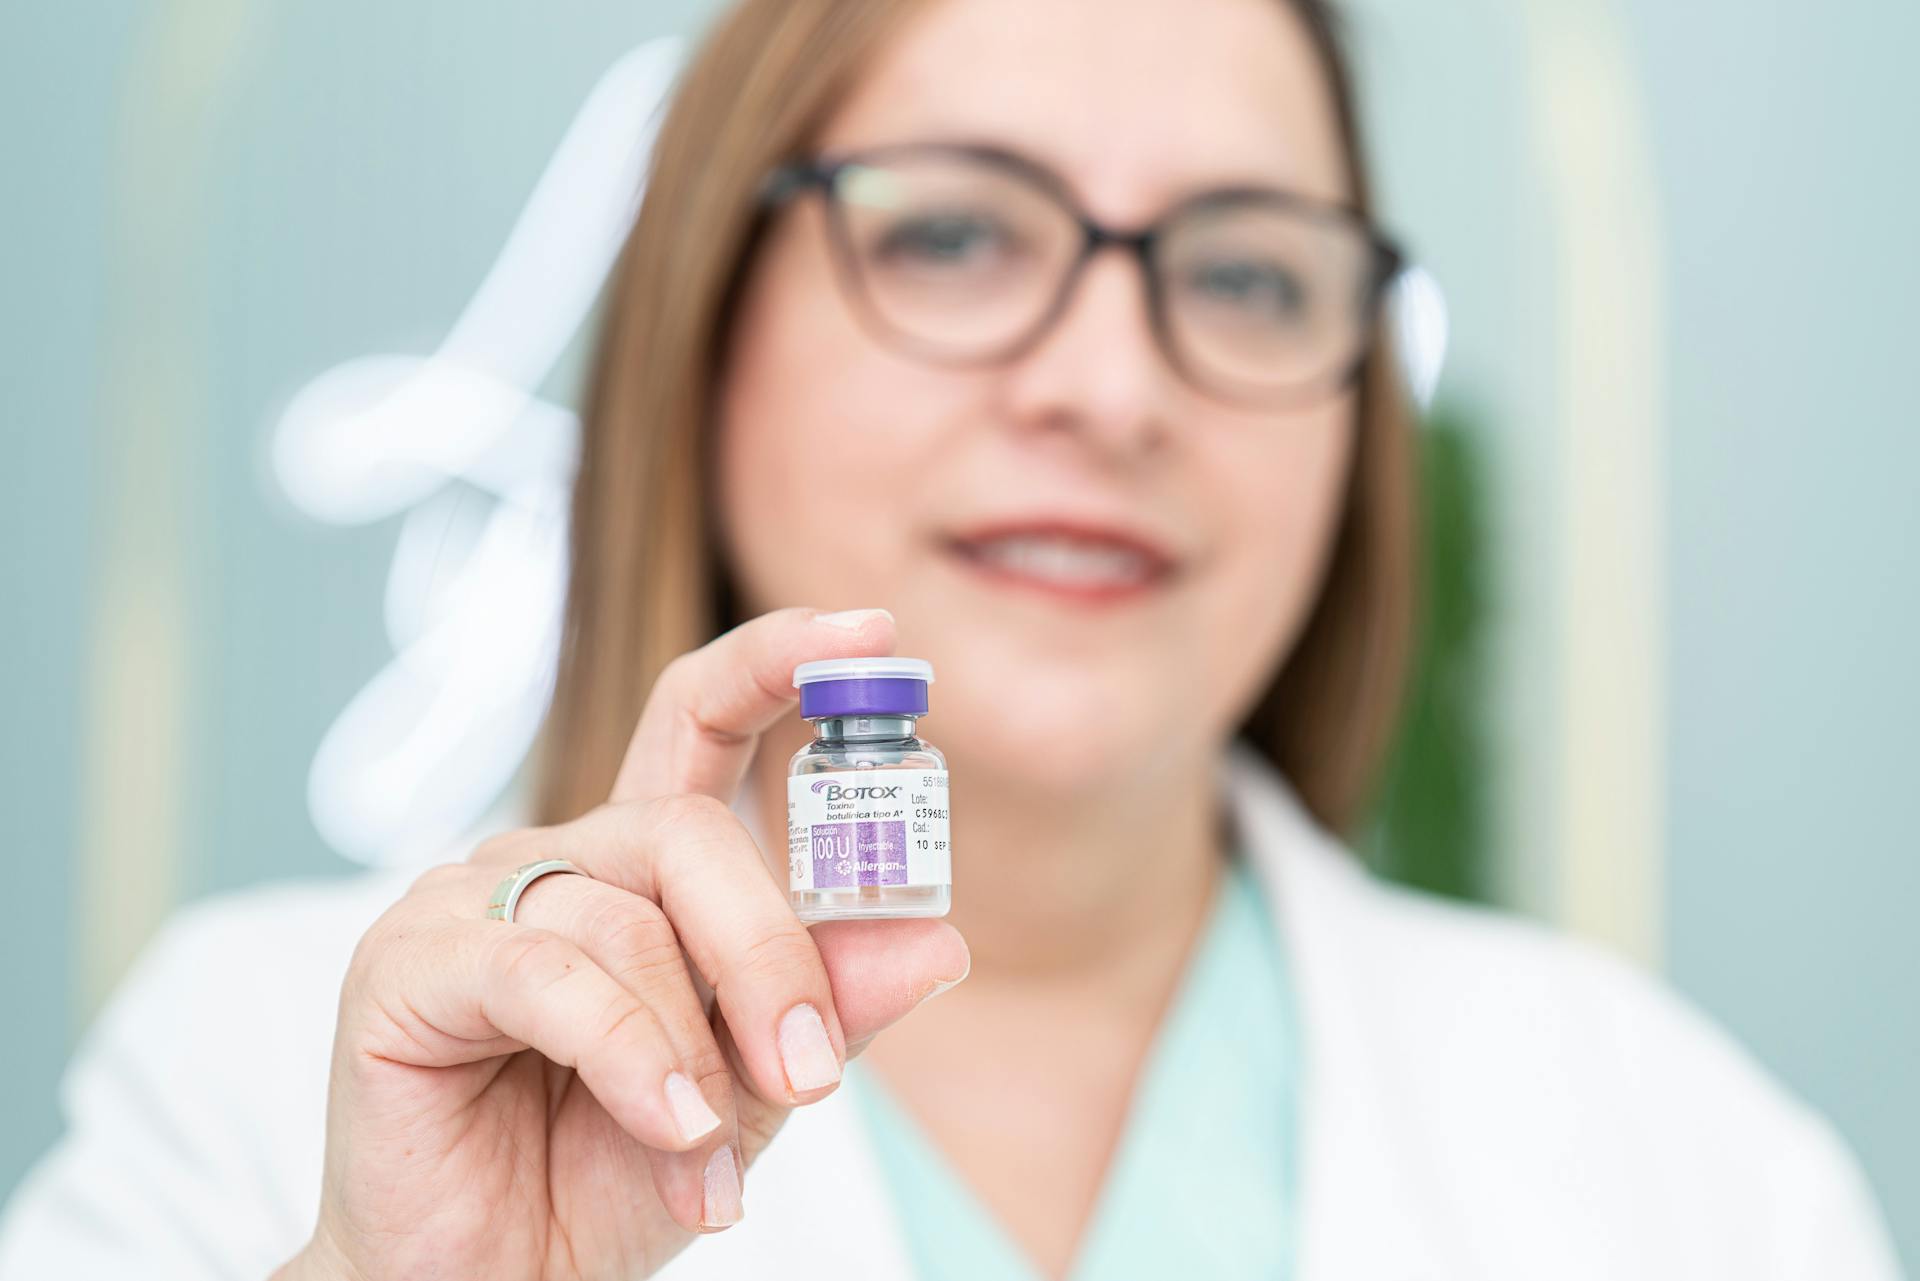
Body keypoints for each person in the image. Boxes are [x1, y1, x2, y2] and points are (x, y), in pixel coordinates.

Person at [0, 0, 1904, 1277]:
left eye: (1244, 271)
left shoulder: (1700, 1174)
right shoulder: (253, 1078)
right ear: (703, 324)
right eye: (954, 236)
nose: (1108, 383)